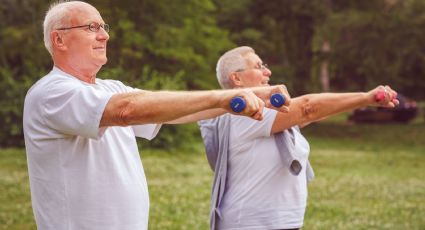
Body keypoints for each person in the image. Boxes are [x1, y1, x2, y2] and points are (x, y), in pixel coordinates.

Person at [22, 2, 290, 230]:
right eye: (92, 27)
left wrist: (250, 95)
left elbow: (171, 111)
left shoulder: (109, 88)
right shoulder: (51, 92)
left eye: (104, 27)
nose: (104, 36)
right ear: (59, 39)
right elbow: (127, 110)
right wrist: (223, 98)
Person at [198, 46, 399, 230]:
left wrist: (361, 103)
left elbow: (314, 113)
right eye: (259, 67)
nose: (268, 72)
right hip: (253, 223)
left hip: (275, 222)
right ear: (237, 79)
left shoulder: (267, 114)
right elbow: (307, 109)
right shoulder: (243, 114)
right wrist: (366, 98)